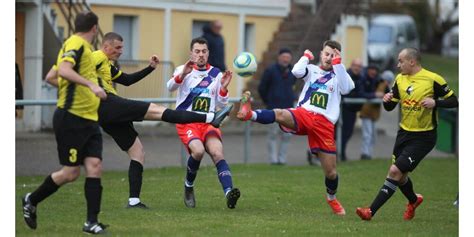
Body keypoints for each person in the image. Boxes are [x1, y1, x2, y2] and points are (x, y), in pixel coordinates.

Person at [44, 32, 233, 209]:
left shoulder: (107, 65)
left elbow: (127, 80)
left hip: (108, 115)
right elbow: (62, 73)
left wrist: (150, 68)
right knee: (158, 110)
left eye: (121, 47)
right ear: (106, 46)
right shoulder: (96, 56)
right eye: (117, 48)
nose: (121, 51)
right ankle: (210, 117)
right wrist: (88, 87)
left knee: (138, 152)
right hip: (109, 104)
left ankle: (134, 201)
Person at [237, 40, 355, 215]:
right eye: (327, 54)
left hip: (325, 124)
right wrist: (306, 57)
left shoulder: (340, 74)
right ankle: (249, 114)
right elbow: (296, 71)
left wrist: (338, 64)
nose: (329, 58)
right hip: (305, 113)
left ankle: (332, 198)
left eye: (333, 55)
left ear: (338, 57)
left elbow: (346, 89)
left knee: (331, 172)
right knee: (280, 114)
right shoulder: (312, 70)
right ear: (321, 53)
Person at [21, 11, 109, 234]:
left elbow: (51, 76)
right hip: (71, 118)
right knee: (70, 173)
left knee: (94, 167)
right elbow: (63, 70)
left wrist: (74, 86)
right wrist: (90, 86)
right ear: (95, 29)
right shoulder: (76, 43)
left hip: (90, 119)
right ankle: (31, 199)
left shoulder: (83, 48)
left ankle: (91, 222)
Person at [356, 48, 458, 221]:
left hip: (424, 137)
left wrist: (436, 102)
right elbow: (391, 105)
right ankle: (413, 200)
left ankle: (370, 212)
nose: (398, 65)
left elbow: (454, 100)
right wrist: (386, 100)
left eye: (400, 61)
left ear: (412, 62)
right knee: (401, 176)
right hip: (404, 133)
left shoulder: (433, 79)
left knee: (395, 171)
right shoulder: (400, 79)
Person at [167, 37, 240, 209]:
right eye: (197, 51)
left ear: (208, 53)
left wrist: (223, 88)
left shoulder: (216, 73)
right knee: (198, 151)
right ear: (191, 53)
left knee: (217, 153)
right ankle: (188, 186)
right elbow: (170, 87)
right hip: (187, 122)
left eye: (204, 51)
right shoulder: (182, 69)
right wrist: (183, 74)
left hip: (208, 123)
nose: (201, 55)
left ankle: (229, 192)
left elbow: (221, 104)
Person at [258, 48, 296, 165]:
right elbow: (262, 88)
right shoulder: (270, 70)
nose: (286, 60)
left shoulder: (293, 72)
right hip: (273, 109)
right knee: (273, 135)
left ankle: (282, 159)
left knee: (287, 136)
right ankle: (273, 160)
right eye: (284, 57)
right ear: (279, 57)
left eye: (288, 58)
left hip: (289, 110)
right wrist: (268, 101)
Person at [359, 65, 387, 160]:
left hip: (375, 111)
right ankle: (365, 153)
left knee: (373, 135)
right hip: (366, 111)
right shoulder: (363, 79)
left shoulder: (380, 81)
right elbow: (361, 93)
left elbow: (387, 93)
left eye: (375, 70)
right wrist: (374, 95)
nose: (373, 72)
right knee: (367, 134)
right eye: (371, 69)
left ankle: (369, 153)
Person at [339, 58, 366, 161]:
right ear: (351, 65)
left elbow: (361, 93)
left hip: (352, 110)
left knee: (348, 133)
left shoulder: (361, 77)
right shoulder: (344, 75)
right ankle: (339, 154)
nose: (357, 68)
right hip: (342, 109)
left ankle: (341, 154)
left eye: (359, 66)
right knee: (337, 133)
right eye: (355, 65)